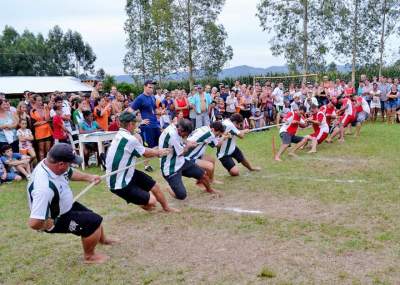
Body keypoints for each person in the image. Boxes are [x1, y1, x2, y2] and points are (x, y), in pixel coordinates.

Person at [27, 143, 116, 264]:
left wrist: (89, 177)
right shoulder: (43, 188)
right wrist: (46, 225)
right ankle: (90, 257)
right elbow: (34, 222)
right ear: (60, 164)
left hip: (64, 205)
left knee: (93, 217)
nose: (71, 165)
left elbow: (69, 172)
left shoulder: (50, 163)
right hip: (56, 217)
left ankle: (102, 240)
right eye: (69, 163)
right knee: (93, 222)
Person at [106, 112, 179, 213]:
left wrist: (156, 151)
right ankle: (140, 199)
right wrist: (159, 152)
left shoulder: (120, 134)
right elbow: (146, 153)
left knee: (154, 186)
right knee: (152, 203)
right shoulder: (130, 139)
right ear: (130, 124)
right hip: (119, 183)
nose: (136, 126)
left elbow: (141, 150)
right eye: (135, 123)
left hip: (127, 172)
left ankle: (166, 207)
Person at [159, 119, 219, 200]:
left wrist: (187, 142)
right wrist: (189, 146)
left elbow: (182, 141)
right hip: (170, 167)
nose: (186, 136)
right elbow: (181, 153)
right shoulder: (172, 135)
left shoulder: (176, 127)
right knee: (182, 195)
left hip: (181, 161)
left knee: (203, 175)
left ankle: (209, 190)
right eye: (186, 134)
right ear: (181, 130)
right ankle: (170, 187)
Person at [131, 80, 161, 172]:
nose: (151, 89)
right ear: (144, 87)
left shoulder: (152, 97)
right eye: (149, 87)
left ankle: (161, 162)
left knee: (159, 144)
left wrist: (160, 112)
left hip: (155, 124)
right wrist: (140, 121)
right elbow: (129, 111)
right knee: (148, 147)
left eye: (152, 87)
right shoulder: (140, 98)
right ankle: (146, 166)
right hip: (147, 127)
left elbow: (154, 111)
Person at [30, 95, 52, 161]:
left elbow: (48, 119)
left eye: (41, 100)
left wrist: (47, 108)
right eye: (38, 100)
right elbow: (34, 124)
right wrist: (45, 122)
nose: (40, 102)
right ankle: (41, 164)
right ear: (35, 101)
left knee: (48, 150)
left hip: (48, 131)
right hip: (39, 133)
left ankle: (48, 163)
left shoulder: (45, 108)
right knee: (41, 150)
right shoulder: (32, 110)